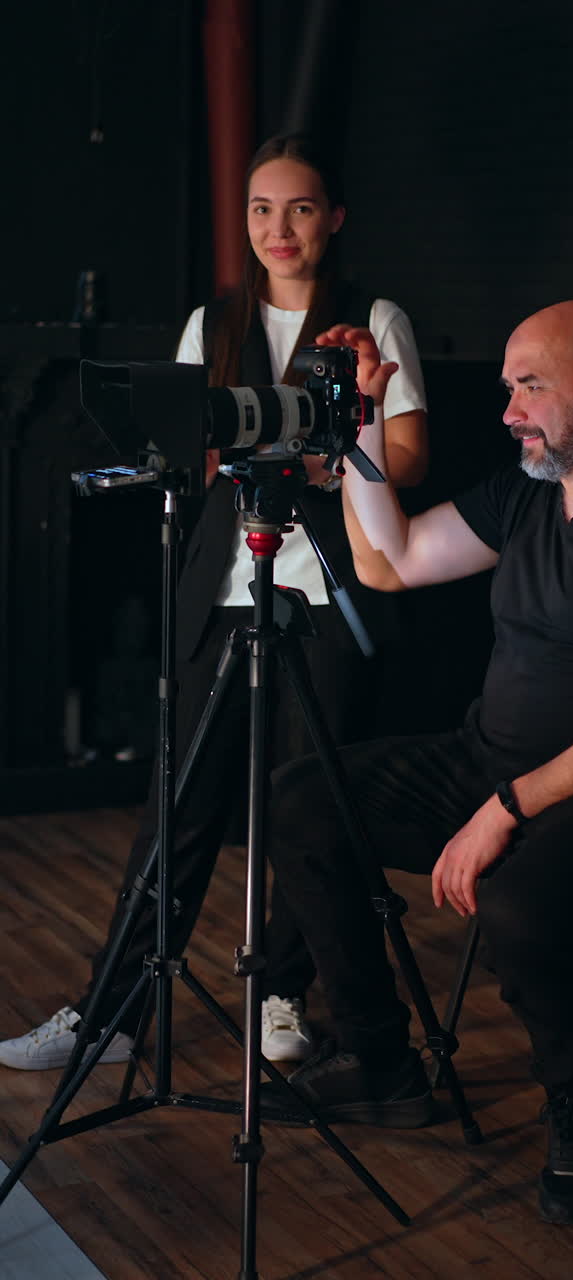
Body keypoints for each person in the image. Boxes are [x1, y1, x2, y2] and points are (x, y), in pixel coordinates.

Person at [256, 300, 573, 1227]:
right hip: (491, 761)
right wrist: (362, 433)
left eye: (531, 386)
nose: (507, 409)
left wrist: (507, 807)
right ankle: (381, 1058)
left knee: (522, 902)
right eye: (509, 385)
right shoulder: (528, 491)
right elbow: (390, 561)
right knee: (305, 802)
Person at [0, 134, 427, 1071]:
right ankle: (109, 1015)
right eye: (261, 209)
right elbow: (191, 456)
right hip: (223, 590)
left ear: (335, 218)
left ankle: (281, 991)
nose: (279, 228)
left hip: (324, 591)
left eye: (301, 208)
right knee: (178, 807)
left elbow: (408, 456)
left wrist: (322, 457)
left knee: (307, 809)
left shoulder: (372, 319)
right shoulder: (212, 323)